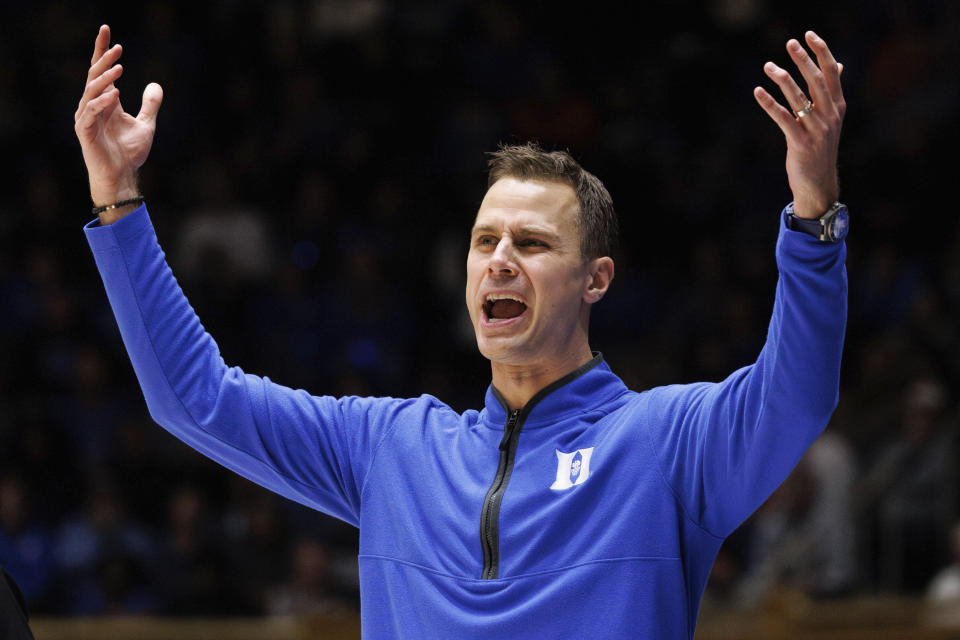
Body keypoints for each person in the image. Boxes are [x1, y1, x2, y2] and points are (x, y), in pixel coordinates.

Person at [75, 23, 848, 639]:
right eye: (486, 242)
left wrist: (813, 218)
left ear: (597, 280)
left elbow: (797, 396)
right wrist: (118, 202)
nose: (500, 261)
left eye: (533, 244)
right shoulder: (392, 448)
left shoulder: (665, 443)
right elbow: (194, 399)